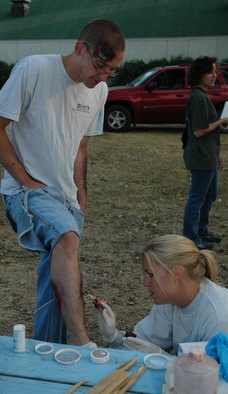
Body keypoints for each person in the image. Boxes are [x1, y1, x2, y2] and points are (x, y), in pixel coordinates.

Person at [0, 19, 125, 346]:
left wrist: (80, 196)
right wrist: (24, 179)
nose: (103, 77)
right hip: (27, 192)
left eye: (112, 71)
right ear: (79, 48)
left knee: (56, 277)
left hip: (66, 198)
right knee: (67, 240)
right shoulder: (34, 69)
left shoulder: (99, 90)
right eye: (100, 65)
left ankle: (49, 351)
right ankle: (79, 339)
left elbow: (81, 145)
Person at [95, 234, 228, 355]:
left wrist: (162, 357)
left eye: (151, 275)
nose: (145, 282)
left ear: (177, 273)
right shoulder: (171, 298)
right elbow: (141, 343)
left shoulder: (218, 317)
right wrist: (114, 337)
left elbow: (214, 376)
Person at [183, 56, 228, 250]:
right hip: (200, 157)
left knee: (209, 196)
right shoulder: (198, 97)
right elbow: (199, 131)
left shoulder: (201, 96)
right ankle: (192, 237)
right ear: (200, 74)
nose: (215, 75)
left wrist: (216, 153)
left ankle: (202, 231)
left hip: (208, 155)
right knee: (197, 197)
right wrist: (222, 121)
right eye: (211, 72)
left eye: (216, 72)